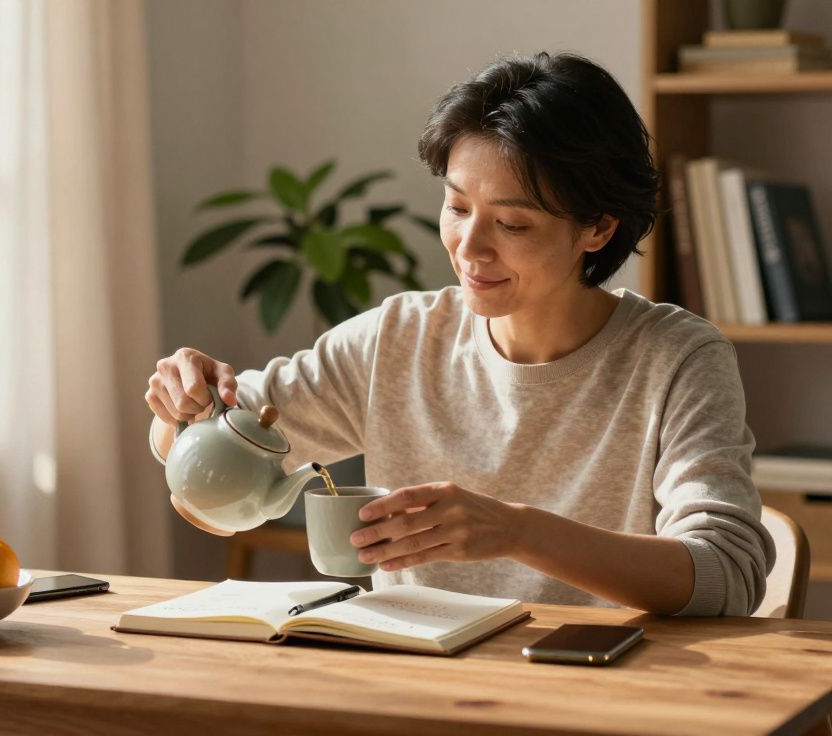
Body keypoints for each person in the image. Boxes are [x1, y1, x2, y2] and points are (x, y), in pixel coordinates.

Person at [146, 52, 773, 616]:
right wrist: (186, 411)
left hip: (594, 690)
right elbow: (207, 446)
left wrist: (519, 532)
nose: (469, 248)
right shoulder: (400, 338)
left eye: (512, 224)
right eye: (457, 207)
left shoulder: (677, 358)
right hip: (417, 687)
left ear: (598, 229)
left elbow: (728, 575)